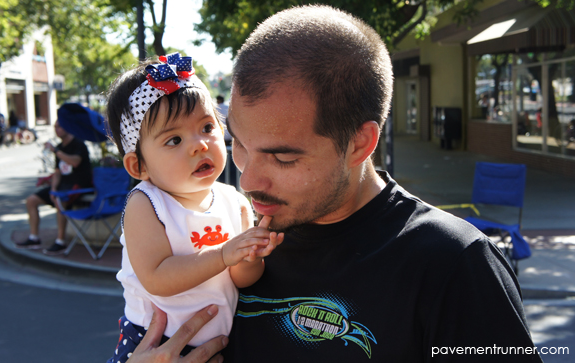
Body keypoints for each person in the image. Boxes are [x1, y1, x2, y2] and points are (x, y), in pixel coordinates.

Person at [128, 5, 543, 362]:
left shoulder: (455, 265)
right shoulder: (237, 235)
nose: (248, 180)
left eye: (283, 156)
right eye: (237, 144)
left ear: (359, 144)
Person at [104, 53, 283, 363]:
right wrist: (225, 254)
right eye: (174, 140)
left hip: (220, 341)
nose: (199, 144)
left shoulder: (234, 201)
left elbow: (241, 279)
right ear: (139, 166)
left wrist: (250, 255)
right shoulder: (146, 204)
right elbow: (157, 277)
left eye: (207, 127)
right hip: (153, 341)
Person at [15, 121, 93, 255]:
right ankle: (34, 238)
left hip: (78, 187)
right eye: (55, 127)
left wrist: (56, 151)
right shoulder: (59, 147)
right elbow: (57, 172)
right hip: (61, 187)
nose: (56, 129)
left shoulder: (78, 144)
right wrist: (54, 188)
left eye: (60, 126)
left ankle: (60, 241)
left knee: (59, 201)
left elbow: (75, 162)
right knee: (31, 200)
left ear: (68, 127)